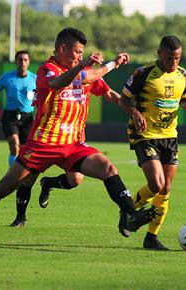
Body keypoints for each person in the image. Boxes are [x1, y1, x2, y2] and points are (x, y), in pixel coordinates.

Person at [0, 27, 156, 244]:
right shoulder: (48, 69)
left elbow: (109, 93)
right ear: (62, 49)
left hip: (73, 144)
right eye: (77, 52)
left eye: (82, 53)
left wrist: (133, 111)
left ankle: (130, 215)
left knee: (107, 169)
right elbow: (58, 83)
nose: (81, 57)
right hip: (43, 144)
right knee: (5, 187)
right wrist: (103, 65)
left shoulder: (85, 71)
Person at [118, 35, 186, 250]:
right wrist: (134, 111)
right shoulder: (144, 73)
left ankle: (151, 237)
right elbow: (123, 99)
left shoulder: (183, 74)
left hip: (170, 136)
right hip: (145, 135)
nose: (174, 63)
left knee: (166, 188)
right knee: (156, 184)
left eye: (178, 58)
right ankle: (128, 211)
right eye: (170, 58)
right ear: (159, 53)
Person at [37, 78, 123, 209]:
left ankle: (48, 183)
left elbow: (108, 92)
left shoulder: (90, 75)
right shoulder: (55, 73)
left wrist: (130, 107)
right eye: (77, 55)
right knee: (26, 175)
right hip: (51, 138)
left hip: (75, 140)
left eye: (80, 55)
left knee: (75, 179)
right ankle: (20, 217)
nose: (78, 57)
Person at [0, 50, 37, 227]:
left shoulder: (35, 78)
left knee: (24, 150)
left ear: (29, 62)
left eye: (25, 60)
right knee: (14, 146)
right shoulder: (7, 77)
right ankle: (13, 175)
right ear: (15, 61)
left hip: (28, 117)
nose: (22, 62)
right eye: (20, 59)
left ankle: (17, 171)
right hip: (9, 116)